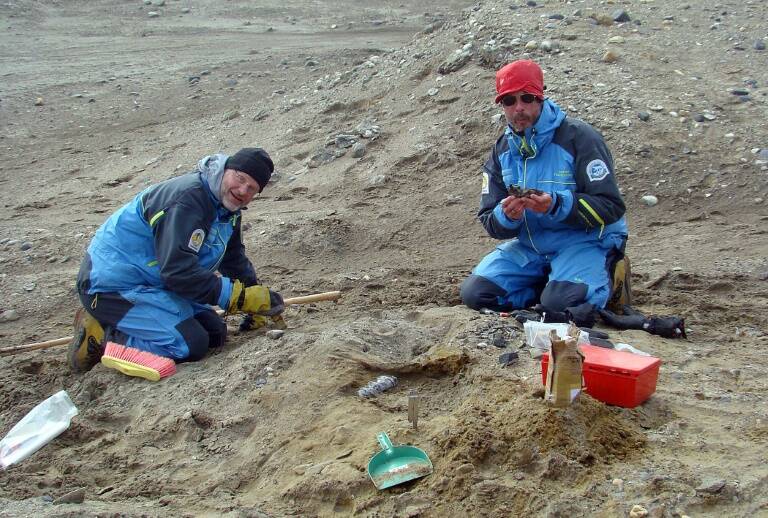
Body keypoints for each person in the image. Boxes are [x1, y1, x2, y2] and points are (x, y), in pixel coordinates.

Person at [69, 147, 284, 372]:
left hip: (153, 284)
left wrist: (254, 298)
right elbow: (177, 272)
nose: (242, 190)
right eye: (240, 179)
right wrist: (238, 298)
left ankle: (126, 324)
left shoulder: (227, 211)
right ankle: (104, 334)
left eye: (251, 188)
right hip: (110, 286)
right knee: (190, 345)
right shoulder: (188, 200)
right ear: (226, 169)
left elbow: (233, 258)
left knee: (214, 333)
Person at [460, 60, 629, 326]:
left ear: (541, 97)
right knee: (476, 294)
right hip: (533, 246)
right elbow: (489, 219)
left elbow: (611, 206)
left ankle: (609, 275)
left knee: (565, 308)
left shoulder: (579, 138)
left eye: (527, 98)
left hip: (583, 242)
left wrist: (556, 205)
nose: (519, 108)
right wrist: (507, 216)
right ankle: (553, 285)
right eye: (508, 101)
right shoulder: (502, 150)